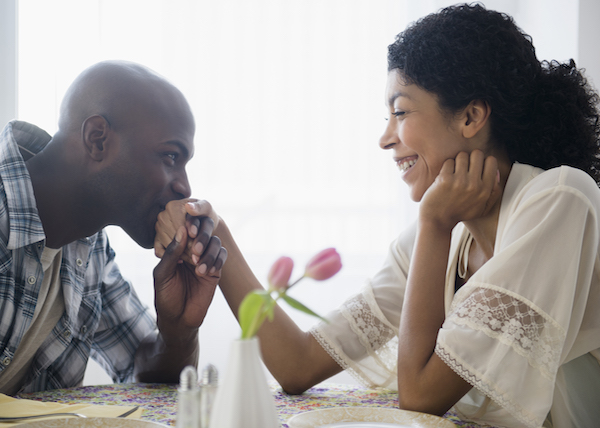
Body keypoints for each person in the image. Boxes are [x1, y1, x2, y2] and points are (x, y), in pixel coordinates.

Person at [155, 4, 600, 428]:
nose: (386, 138)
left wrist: (434, 224)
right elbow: (298, 364)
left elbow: (421, 398)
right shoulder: (437, 237)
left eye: (400, 111)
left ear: (471, 116)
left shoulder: (559, 198)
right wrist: (217, 235)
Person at [0, 60, 226, 395]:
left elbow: (142, 374)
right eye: (170, 157)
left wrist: (178, 330)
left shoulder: (88, 249)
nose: (184, 188)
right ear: (98, 140)